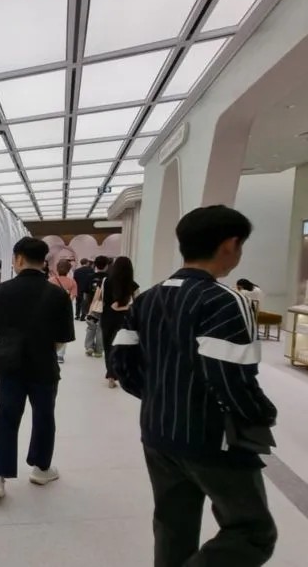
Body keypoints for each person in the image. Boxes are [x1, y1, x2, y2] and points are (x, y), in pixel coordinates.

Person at [111, 205, 277, 567]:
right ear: (230, 245)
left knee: (173, 526)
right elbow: (232, 379)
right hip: (211, 436)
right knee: (252, 531)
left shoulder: (147, 298)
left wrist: (158, 394)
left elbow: (121, 363)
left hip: (157, 430)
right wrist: (262, 414)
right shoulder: (224, 301)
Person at [0, 237, 75, 499]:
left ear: (19, 258)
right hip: (44, 366)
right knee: (44, 416)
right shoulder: (58, 294)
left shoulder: (3, 291)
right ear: (43, 261)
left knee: (6, 416)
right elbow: (62, 339)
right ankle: (40, 468)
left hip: (9, 365)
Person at [100, 256, 139, 388]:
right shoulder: (133, 285)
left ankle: (111, 375)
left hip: (107, 317)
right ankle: (121, 373)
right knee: (121, 346)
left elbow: (104, 301)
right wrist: (126, 307)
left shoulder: (106, 281)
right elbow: (138, 303)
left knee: (108, 346)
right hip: (124, 319)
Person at [48, 260, 78, 364]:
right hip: (65, 309)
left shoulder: (51, 280)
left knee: (50, 328)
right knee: (63, 330)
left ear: (57, 269)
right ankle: (60, 355)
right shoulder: (72, 282)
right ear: (69, 270)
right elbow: (72, 297)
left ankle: (50, 350)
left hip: (51, 308)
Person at [83, 256, 110, 357]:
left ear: (95, 265)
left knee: (91, 326)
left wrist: (87, 306)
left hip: (92, 306)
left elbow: (85, 293)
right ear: (107, 266)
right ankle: (99, 350)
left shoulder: (90, 277)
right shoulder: (110, 277)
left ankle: (89, 347)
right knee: (101, 328)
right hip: (105, 307)